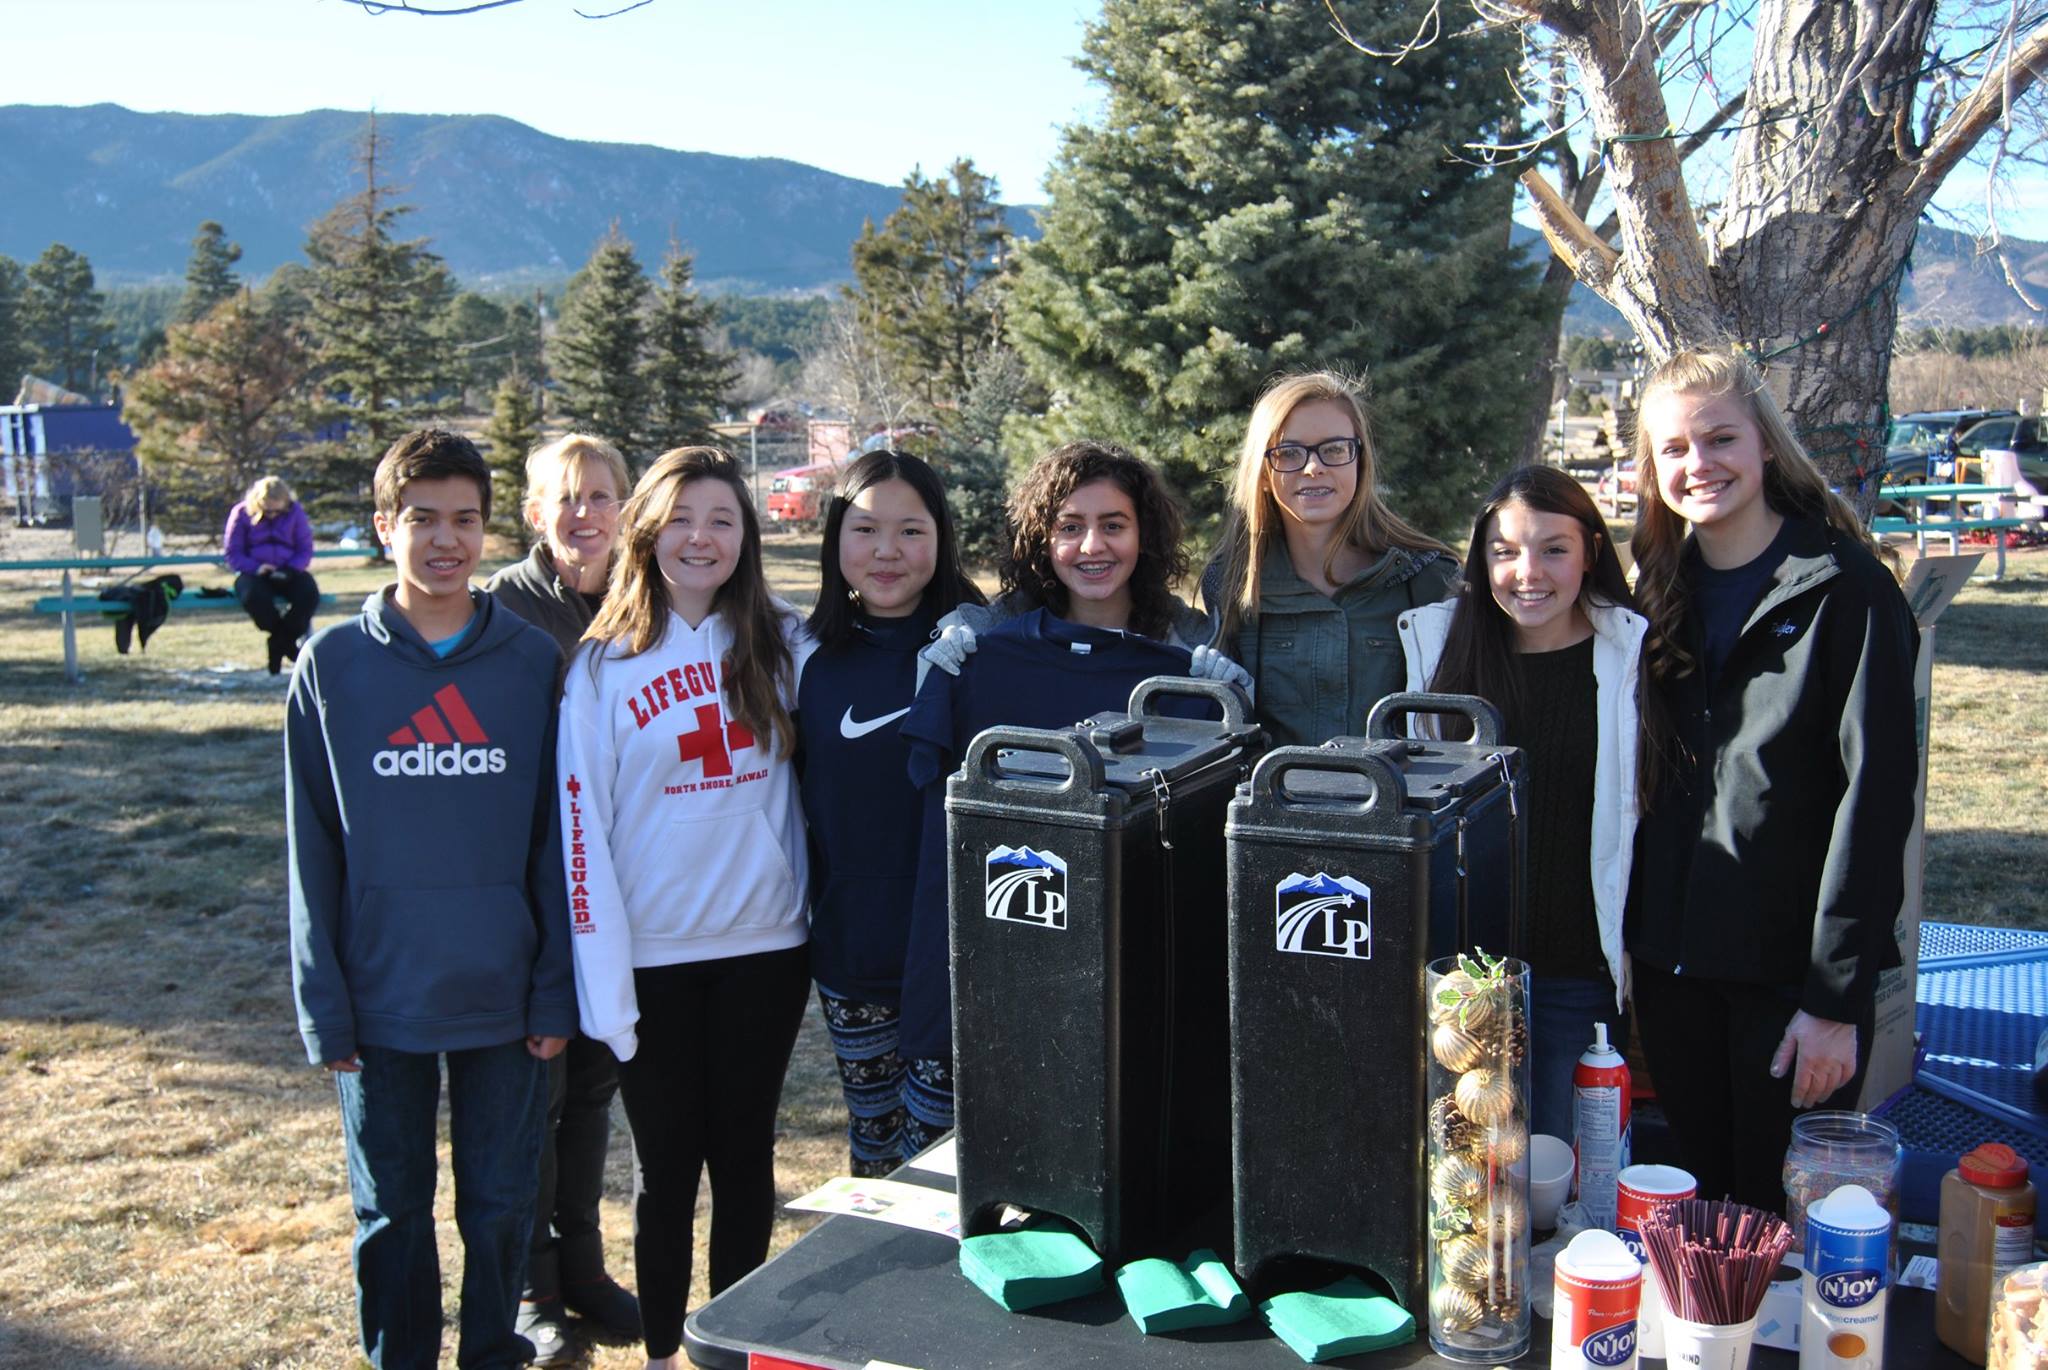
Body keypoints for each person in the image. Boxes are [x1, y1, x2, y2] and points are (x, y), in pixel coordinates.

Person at [285, 429, 574, 1369]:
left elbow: (552, 843)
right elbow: (312, 851)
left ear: (488, 531)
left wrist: (553, 987)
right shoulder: (331, 670)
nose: (443, 540)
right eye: (421, 519)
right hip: (379, 997)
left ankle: (492, 1351)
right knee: (391, 1213)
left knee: (498, 1202)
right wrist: (323, 1002)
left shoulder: (531, 665)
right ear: (384, 527)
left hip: (503, 992)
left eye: (464, 520)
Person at [1626, 347, 1917, 1211]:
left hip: (1789, 982)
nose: (1697, 464)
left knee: (1781, 1234)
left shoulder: (1847, 589)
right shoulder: (1657, 593)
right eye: (1673, 449)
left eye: (1719, 439)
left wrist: (1834, 998)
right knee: (1702, 1215)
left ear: (1765, 445)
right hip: (1673, 968)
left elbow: (1876, 802)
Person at [558, 447, 812, 1369]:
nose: (700, 538)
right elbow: (581, 833)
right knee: (667, 1172)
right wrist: (604, 986)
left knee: (746, 1162)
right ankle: (665, 1351)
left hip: (767, 949)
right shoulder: (600, 670)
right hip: (654, 958)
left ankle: (734, 1349)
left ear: (746, 538)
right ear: (647, 530)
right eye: (681, 519)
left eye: (722, 520)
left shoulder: (784, 645)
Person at [896, 440, 1220, 1140]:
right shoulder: (976, 656)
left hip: (1130, 988)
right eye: (1070, 526)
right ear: (1042, 540)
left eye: (1114, 524)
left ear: (1146, 533)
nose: (1092, 545)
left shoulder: (1190, 671)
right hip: (1000, 976)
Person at [1396, 464, 1647, 1140]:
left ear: (1591, 551)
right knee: (1465, 1180)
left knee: (1563, 1176)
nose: (1527, 571)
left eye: (1553, 549)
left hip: (1574, 976)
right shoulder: (1441, 651)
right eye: (1504, 551)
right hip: (1463, 978)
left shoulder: (1629, 660)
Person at [483, 434, 640, 1361]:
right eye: (565, 499)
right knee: (531, 1097)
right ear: (536, 513)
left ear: (626, 507)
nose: (585, 514)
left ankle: (585, 1270)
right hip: (533, 889)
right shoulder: (503, 606)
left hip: (620, 887)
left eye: (601, 496)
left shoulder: (645, 599)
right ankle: (531, 1288)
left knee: (591, 1089)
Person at [797, 450, 987, 1177]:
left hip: (952, 958)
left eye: (910, 532)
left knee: (942, 1162)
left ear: (940, 540)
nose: (886, 552)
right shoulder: (804, 656)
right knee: (873, 1150)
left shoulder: (977, 651)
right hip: (851, 954)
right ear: (835, 539)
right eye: (865, 529)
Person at [1202, 370, 1458, 746]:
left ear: (1360, 460)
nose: (1313, 467)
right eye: (1289, 453)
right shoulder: (1231, 584)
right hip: (1273, 801)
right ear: (1262, 474)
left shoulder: (1427, 581)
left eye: (1334, 449)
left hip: (1395, 800)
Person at [224, 474, 321, 674]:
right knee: (254, 598)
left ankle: (277, 644)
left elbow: (305, 548)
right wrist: (256, 567)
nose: (272, 515)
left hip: (289, 569)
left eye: (276, 511)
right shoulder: (241, 513)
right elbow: (233, 552)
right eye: (267, 511)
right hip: (253, 572)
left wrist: (291, 568)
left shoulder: (296, 513)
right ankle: (286, 645)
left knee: (308, 594)